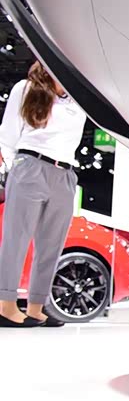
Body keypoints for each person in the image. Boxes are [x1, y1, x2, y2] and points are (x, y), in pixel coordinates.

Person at [0, 61, 86, 328]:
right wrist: (15, 168)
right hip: (31, 166)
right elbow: (7, 135)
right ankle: (6, 306)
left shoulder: (77, 99)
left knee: (51, 245)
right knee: (16, 239)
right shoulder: (25, 88)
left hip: (65, 174)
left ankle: (36, 307)